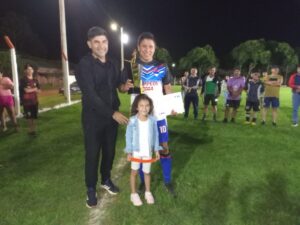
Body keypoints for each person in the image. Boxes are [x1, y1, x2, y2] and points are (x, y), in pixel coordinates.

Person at [75, 26, 133, 208]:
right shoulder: (84, 65)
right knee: (92, 154)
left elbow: (117, 85)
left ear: (108, 43)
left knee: (109, 151)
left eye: (104, 41)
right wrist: (112, 113)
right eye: (96, 42)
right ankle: (91, 188)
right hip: (93, 118)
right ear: (89, 44)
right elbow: (90, 95)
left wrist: (123, 87)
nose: (101, 46)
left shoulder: (114, 63)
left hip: (111, 119)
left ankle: (106, 179)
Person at [130, 32, 176, 196]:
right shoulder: (132, 67)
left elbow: (168, 88)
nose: (147, 49)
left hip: (159, 115)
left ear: (154, 48)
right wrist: (124, 86)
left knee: (164, 147)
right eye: (144, 46)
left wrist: (172, 105)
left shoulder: (161, 66)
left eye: (150, 46)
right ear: (138, 48)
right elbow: (122, 87)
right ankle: (143, 182)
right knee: (143, 150)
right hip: (141, 117)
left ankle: (168, 180)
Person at [125, 94, 161, 206]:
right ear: (137, 107)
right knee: (134, 172)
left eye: (147, 106)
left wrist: (156, 150)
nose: (144, 108)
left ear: (150, 107)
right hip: (136, 152)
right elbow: (128, 136)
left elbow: (156, 136)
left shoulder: (153, 120)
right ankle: (133, 194)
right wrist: (129, 152)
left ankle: (148, 192)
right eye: (141, 105)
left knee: (147, 172)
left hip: (147, 152)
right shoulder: (132, 121)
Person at [19, 64, 41, 135]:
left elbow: (39, 90)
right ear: (25, 71)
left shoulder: (35, 80)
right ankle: (30, 130)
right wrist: (35, 89)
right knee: (28, 117)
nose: (30, 71)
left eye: (31, 69)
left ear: (33, 70)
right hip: (26, 102)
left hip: (34, 101)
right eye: (28, 69)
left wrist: (33, 89)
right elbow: (26, 91)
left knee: (34, 117)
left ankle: (33, 130)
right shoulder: (23, 80)